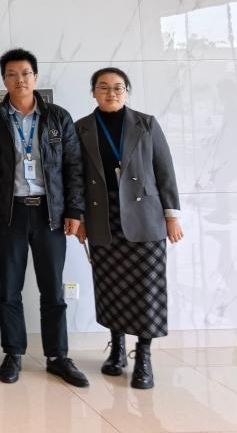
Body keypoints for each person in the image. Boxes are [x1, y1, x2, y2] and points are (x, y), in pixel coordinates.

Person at [0, 49, 88, 387]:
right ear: (4, 80)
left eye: (25, 73)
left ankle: (58, 356)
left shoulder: (58, 117)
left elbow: (73, 167)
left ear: (35, 77)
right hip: (9, 212)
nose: (20, 80)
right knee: (9, 287)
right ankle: (13, 353)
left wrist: (74, 211)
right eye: (12, 74)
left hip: (49, 213)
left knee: (52, 287)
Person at [75, 67, 184, 390]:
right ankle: (118, 348)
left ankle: (144, 356)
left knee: (147, 288)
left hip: (145, 216)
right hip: (103, 215)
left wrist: (172, 215)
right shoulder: (82, 127)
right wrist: (79, 218)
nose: (111, 93)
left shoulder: (146, 123)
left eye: (118, 87)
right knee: (111, 285)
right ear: (93, 92)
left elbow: (165, 170)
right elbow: (76, 176)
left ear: (126, 91)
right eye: (104, 87)